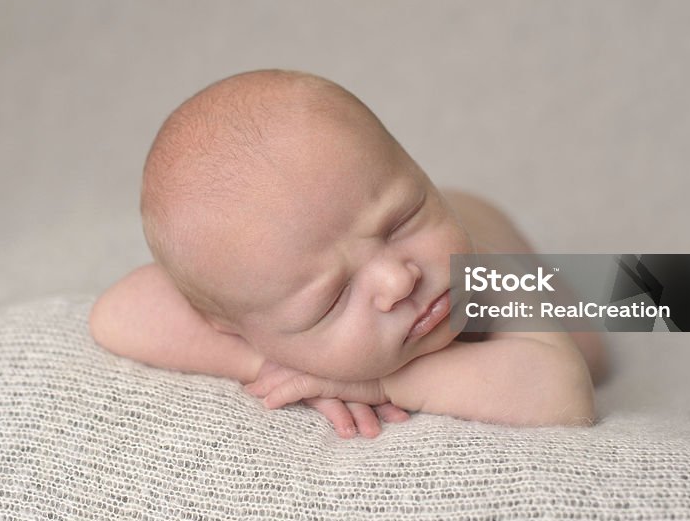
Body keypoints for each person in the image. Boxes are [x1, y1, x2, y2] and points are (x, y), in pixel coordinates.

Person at [89, 70, 609, 438]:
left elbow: (563, 393)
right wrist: (269, 361)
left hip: (514, 253)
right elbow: (116, 313)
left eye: (403, 218)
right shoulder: (252, 311)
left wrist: (374, 380)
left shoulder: (483, 275)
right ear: (240, 325)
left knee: (601, 339)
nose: (396, 279)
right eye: (333, 298)